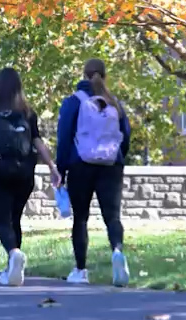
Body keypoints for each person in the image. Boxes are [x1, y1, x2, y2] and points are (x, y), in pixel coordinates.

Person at [0, 67, 62, 286]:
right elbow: (37, 141)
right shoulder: (27, 111)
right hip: (24, 172)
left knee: (3, 219)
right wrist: (52, 166)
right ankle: (12, 266)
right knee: (15, 218)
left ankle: (13, 253)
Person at [55, 58, 133, 286]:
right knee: (113, 217)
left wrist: (61, 169)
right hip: (111, 165)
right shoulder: (114, 103)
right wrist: (117, 158)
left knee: (80, 218)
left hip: (81, 164)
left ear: (84, 75)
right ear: (104, 76)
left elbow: (64, 137)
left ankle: (80, 270)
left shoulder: (74, 102)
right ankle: (117, 251)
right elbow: (125, 136)